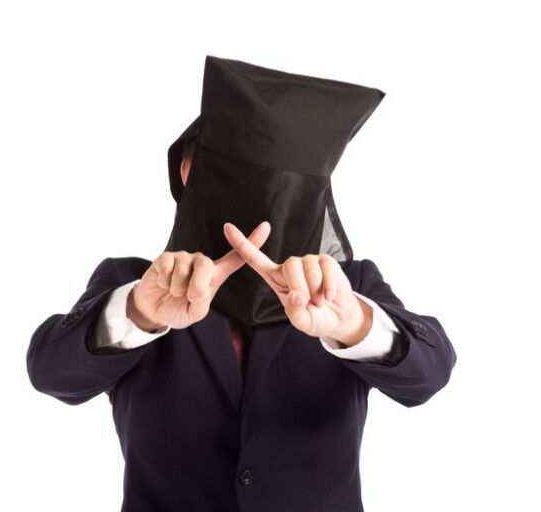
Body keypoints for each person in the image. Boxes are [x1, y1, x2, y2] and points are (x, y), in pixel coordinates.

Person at [26, 55, 457, 511]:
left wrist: (355, 325)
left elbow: (430, 374)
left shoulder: (346, 288)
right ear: (187, 171)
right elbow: (50, 371)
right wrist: (137, 313)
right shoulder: (135, 284)